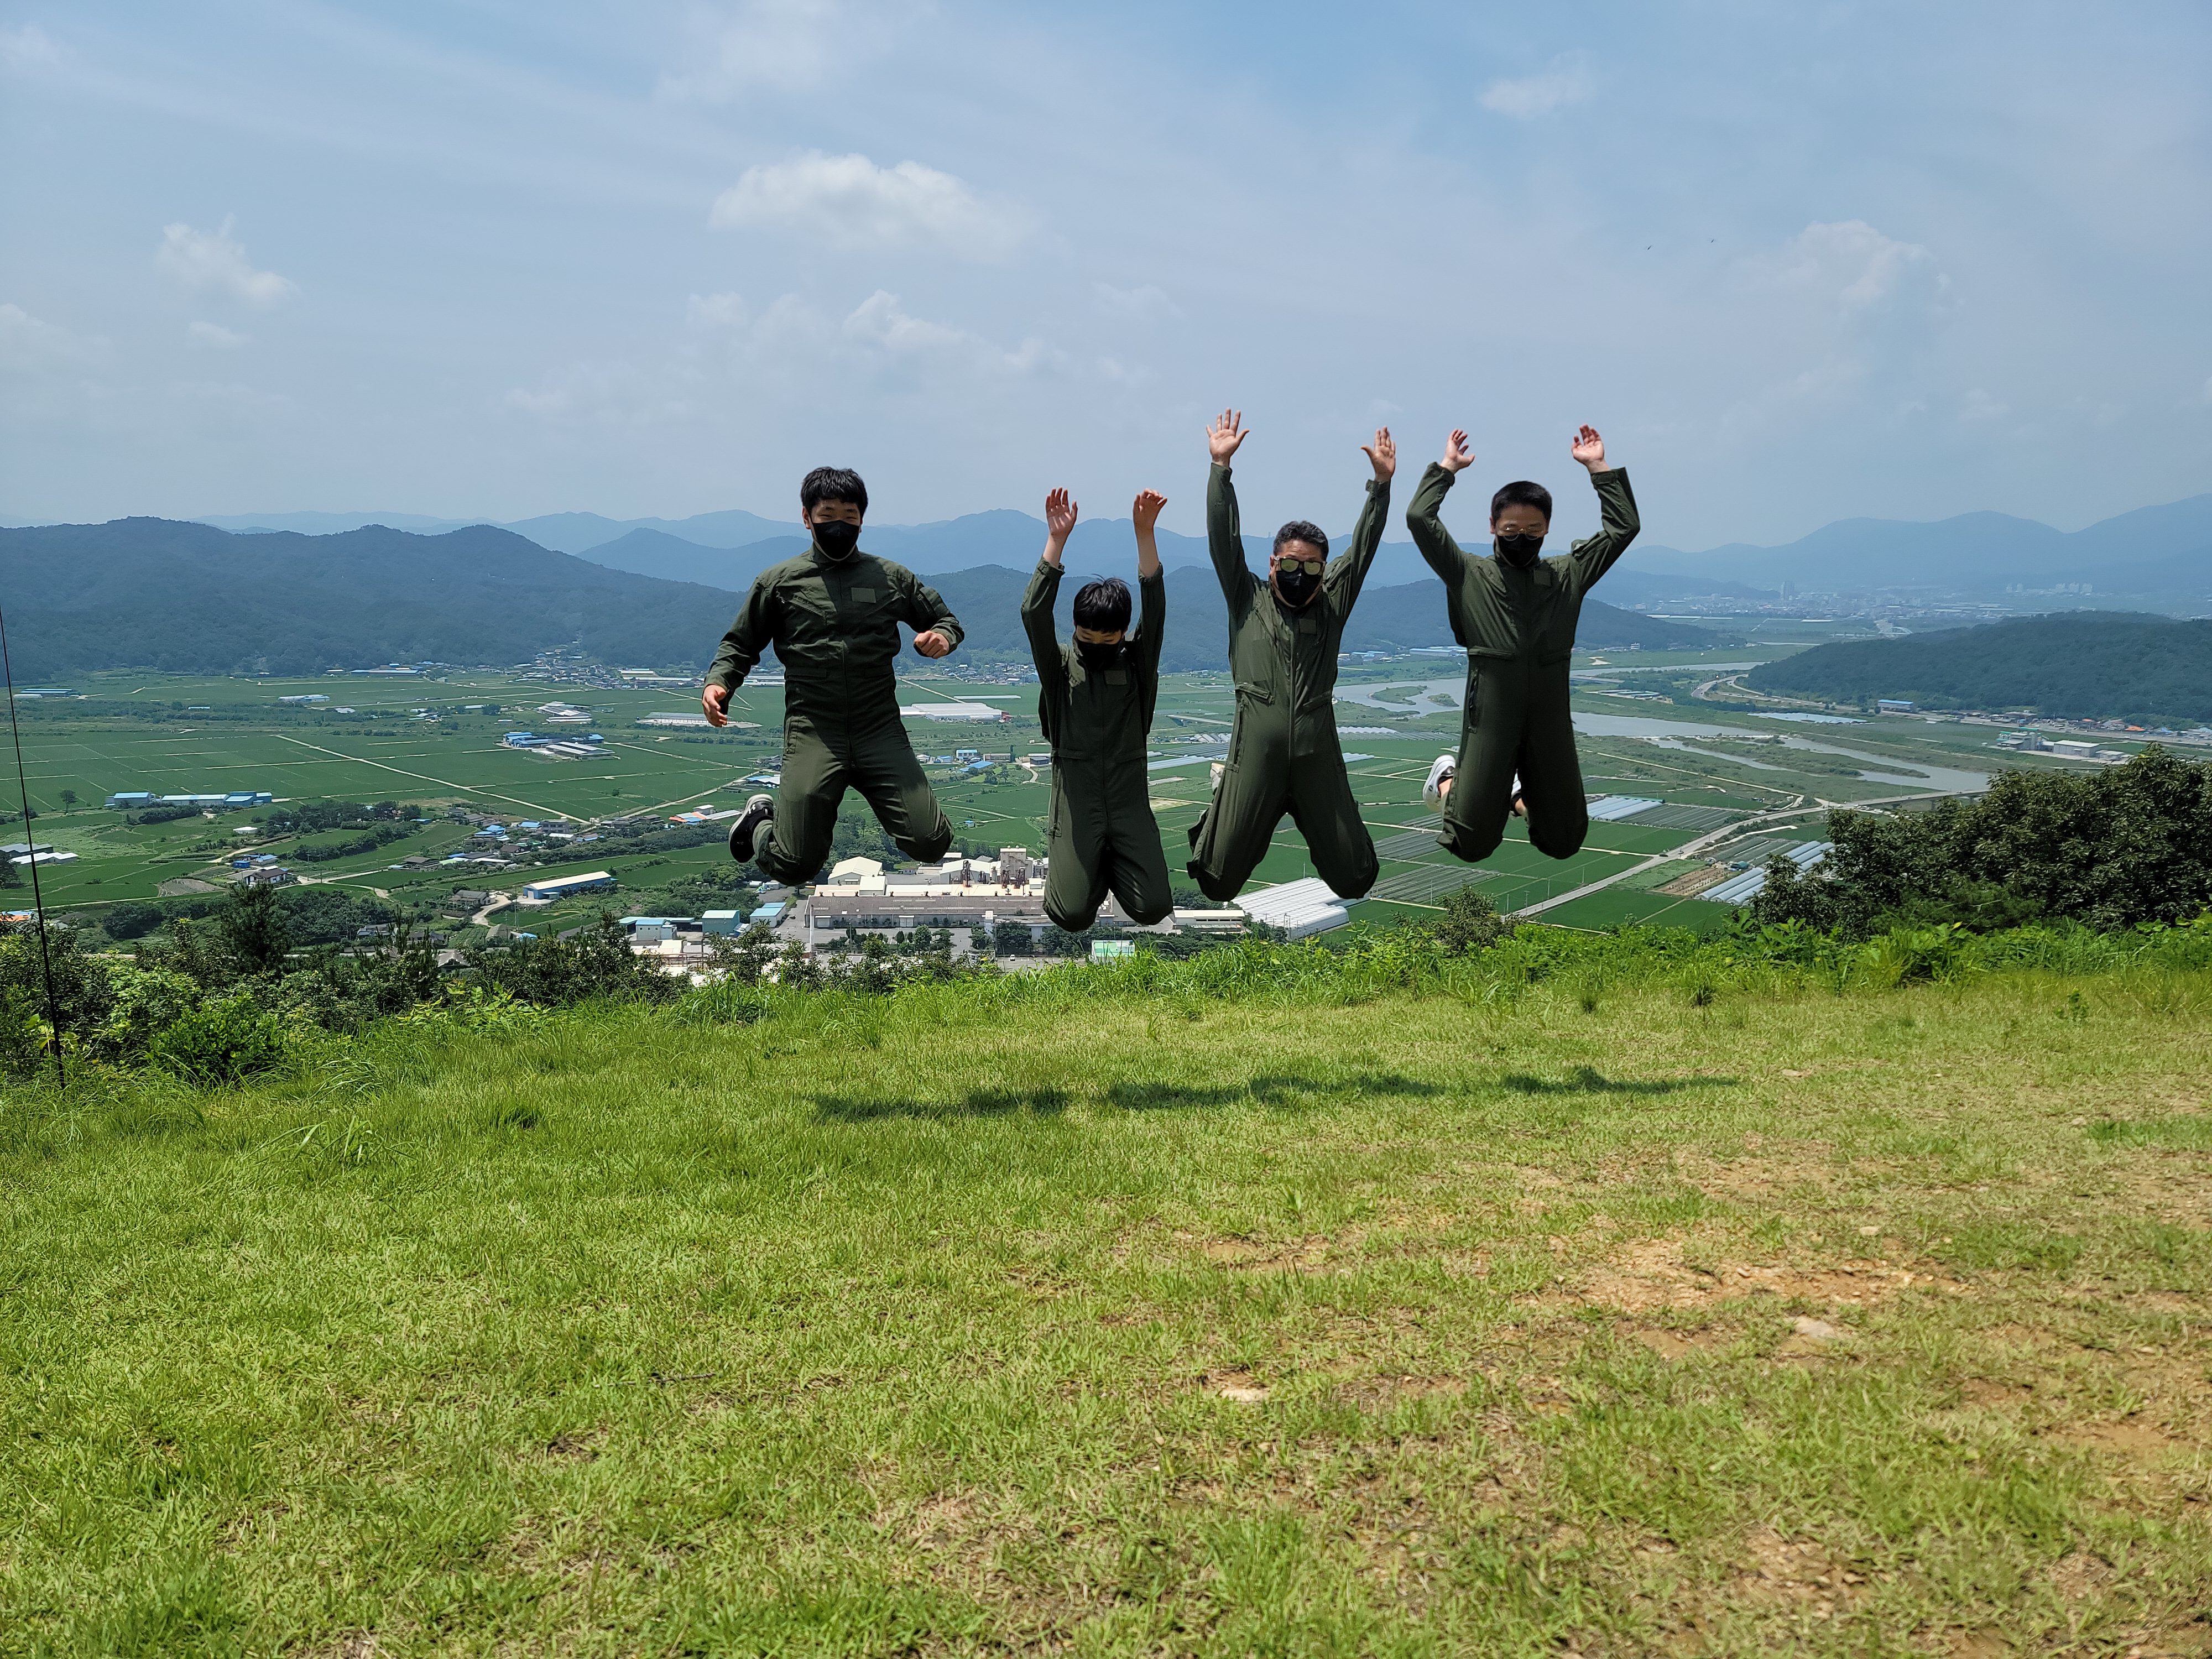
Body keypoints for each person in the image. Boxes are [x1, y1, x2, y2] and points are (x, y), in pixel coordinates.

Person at [703, 466, 963, 884]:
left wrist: (941, 637)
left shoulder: (890, 578)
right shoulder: (780, 582)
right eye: (827, 516)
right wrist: (719, 682)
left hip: (878, 727)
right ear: (807, 518)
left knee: (931, 842)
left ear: (863, 519)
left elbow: (946, 620)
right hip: (814, 729)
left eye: (850, 516)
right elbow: (740, 644)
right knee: (795, 866)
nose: (838, 525)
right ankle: (759, 825)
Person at [1405, 424, 1639, 865]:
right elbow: (1420, 519)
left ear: (1548, 529)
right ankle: (1446, 781)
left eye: (1534, 530)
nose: (1522, 538)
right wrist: (1447, 469)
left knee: (1564, 839)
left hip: (1550, 714)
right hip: (1491, 714)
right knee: (1471, 844)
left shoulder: (1568, 574)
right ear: (1493, 525)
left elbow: (1624, 526)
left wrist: (1598, 467)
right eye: (1511, 528)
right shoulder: (1468, 572)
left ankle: (1515, 795)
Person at [1186, 410, 1394, 902]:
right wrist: (1221, 471)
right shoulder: (1247, 597)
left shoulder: (1332, 603)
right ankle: (1223, 806)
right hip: (1256, 753)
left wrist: (1380, 486)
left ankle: (1326, 811)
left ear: (1324, 569)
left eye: (1312, 565)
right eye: (1291, 563)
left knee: (1355, 878)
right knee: (1216, 881)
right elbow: (1223, 539)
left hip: (1317, 752)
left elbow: (1363, 549)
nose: (1301, 572)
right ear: (1273, 562)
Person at [1020, 485, 1172, 932]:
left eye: (1111, 639)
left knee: (1152, 908)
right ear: (1076, 628)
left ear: (1125, 632)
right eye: (1090, 639)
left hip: (1129, 797)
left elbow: (1156, 610)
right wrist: (1057, 541)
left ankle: (1105, 861)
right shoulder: (1060, 667)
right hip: (1076, 797)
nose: (1100, 647)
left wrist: (1144, 533)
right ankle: (1086, 864)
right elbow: (1033, 614)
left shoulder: (1137, 665)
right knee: (1070, 915)